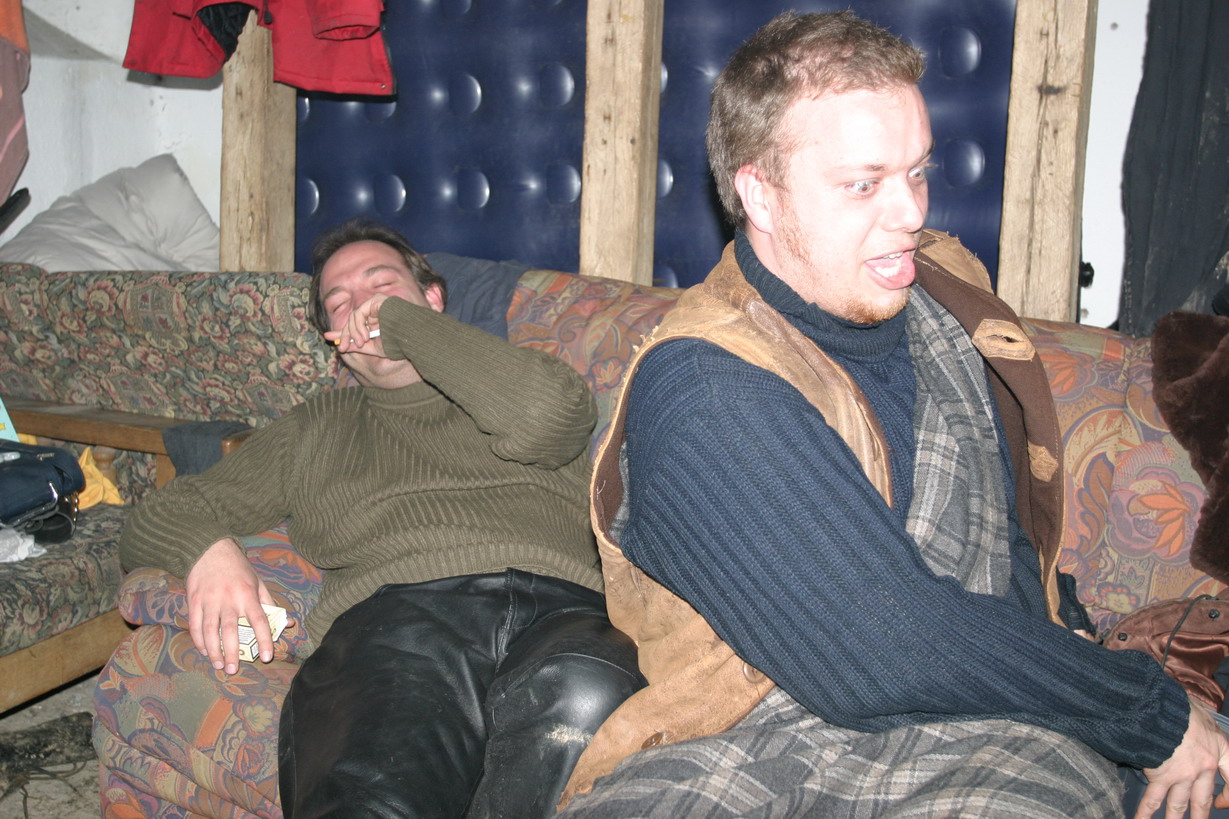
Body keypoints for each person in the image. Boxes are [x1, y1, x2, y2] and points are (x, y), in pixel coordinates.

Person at [556, 11, 1229, 819]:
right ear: (759, 193)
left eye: (917, 171)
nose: (908, 211)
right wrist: (1143, 709)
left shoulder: (946, 295)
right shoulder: (706, 388)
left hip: (991, 717)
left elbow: (1004, 535)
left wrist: (1070, 633)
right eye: (863, 184)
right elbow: (875, 642)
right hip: (762, 741)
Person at [119, 218, 642, 818]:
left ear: (432, 298)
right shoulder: (315, 426)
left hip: (566, 609)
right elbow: (161, 514)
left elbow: (548, 419)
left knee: (585, 691)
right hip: (398, 627)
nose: (363, 307)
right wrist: (210, 554)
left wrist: (404, 327)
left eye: (382, 286)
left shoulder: (524, 376)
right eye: (340, 303)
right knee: (377, 793)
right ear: (333, 339)